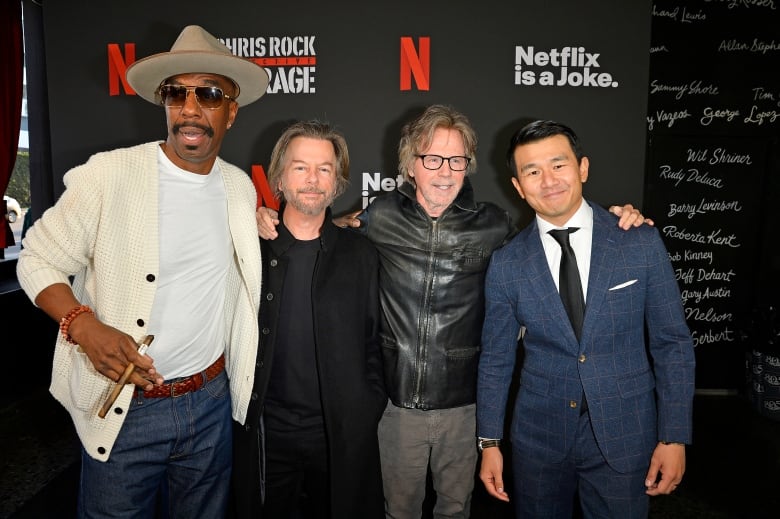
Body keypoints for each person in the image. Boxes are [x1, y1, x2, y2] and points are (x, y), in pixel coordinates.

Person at [257, 105, 649, 518]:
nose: (444, 171)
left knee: (455, 511)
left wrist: (613, 219)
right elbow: (324, 227)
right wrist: (263, 216)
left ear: (468, 166)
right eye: (432, 159)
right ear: (411, 165)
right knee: (398, 511)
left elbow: (555, 235)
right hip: (396, 405)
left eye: (456, 160)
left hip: (464, 407)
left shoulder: (494, 225)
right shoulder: (382, 215)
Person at [16, 25, 268, 517]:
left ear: (231, 112)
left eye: (209, 94)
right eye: (177, 93)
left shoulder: (239, 188)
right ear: (165, 104)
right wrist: (82, 325)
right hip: (128, 407)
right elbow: (36, 258)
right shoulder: (109, 175)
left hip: (210, 402)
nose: (190, 108)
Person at [476, 119, 696, 518]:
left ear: (583, 168)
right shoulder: (507, 263)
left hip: (626, 432)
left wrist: (674, 435)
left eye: (558, 164)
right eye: (532, 171)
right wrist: (489, 443)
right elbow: (496, 360)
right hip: (538, 440)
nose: (548, 180)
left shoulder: (638, 240)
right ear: (518, 187)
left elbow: (672, 342)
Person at [232, 120, 386, 519]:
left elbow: (376, 341)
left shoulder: (361, 255)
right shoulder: (248, 249)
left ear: (338, 182)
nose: (313, 180)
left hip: (339, 434)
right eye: (300, 167)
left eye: (325, 169)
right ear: (279, 177)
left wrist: (365, 407)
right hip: (266, 432)